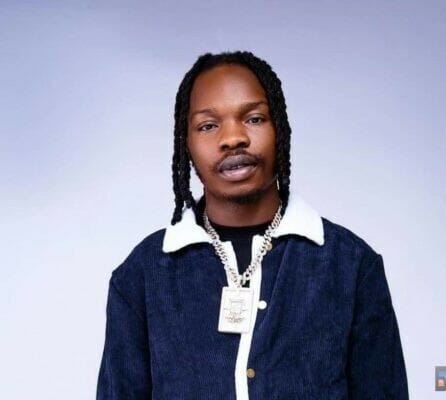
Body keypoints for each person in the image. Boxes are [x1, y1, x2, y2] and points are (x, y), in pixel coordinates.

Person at [96, 50, 409, 400]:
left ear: (280, 129)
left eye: (254, 119)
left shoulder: (351, 266)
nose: (233, 138)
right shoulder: (141, 274)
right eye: (208, 125)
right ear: (186, 144)